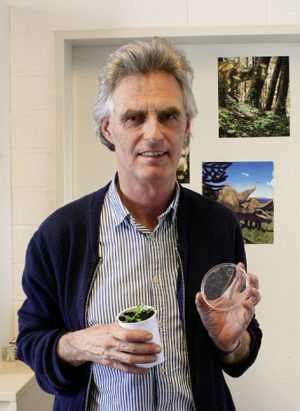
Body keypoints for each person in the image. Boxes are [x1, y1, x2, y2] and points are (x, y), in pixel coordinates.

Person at [17, 37, 262, 411]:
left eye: (168, 115)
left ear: (186, 127)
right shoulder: (60, 235)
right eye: (134, 117)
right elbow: (31, 341)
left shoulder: (219, 225)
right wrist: (81, 343)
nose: (153, 133)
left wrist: (231, 343)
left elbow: (240, 351)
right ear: (108, 129)